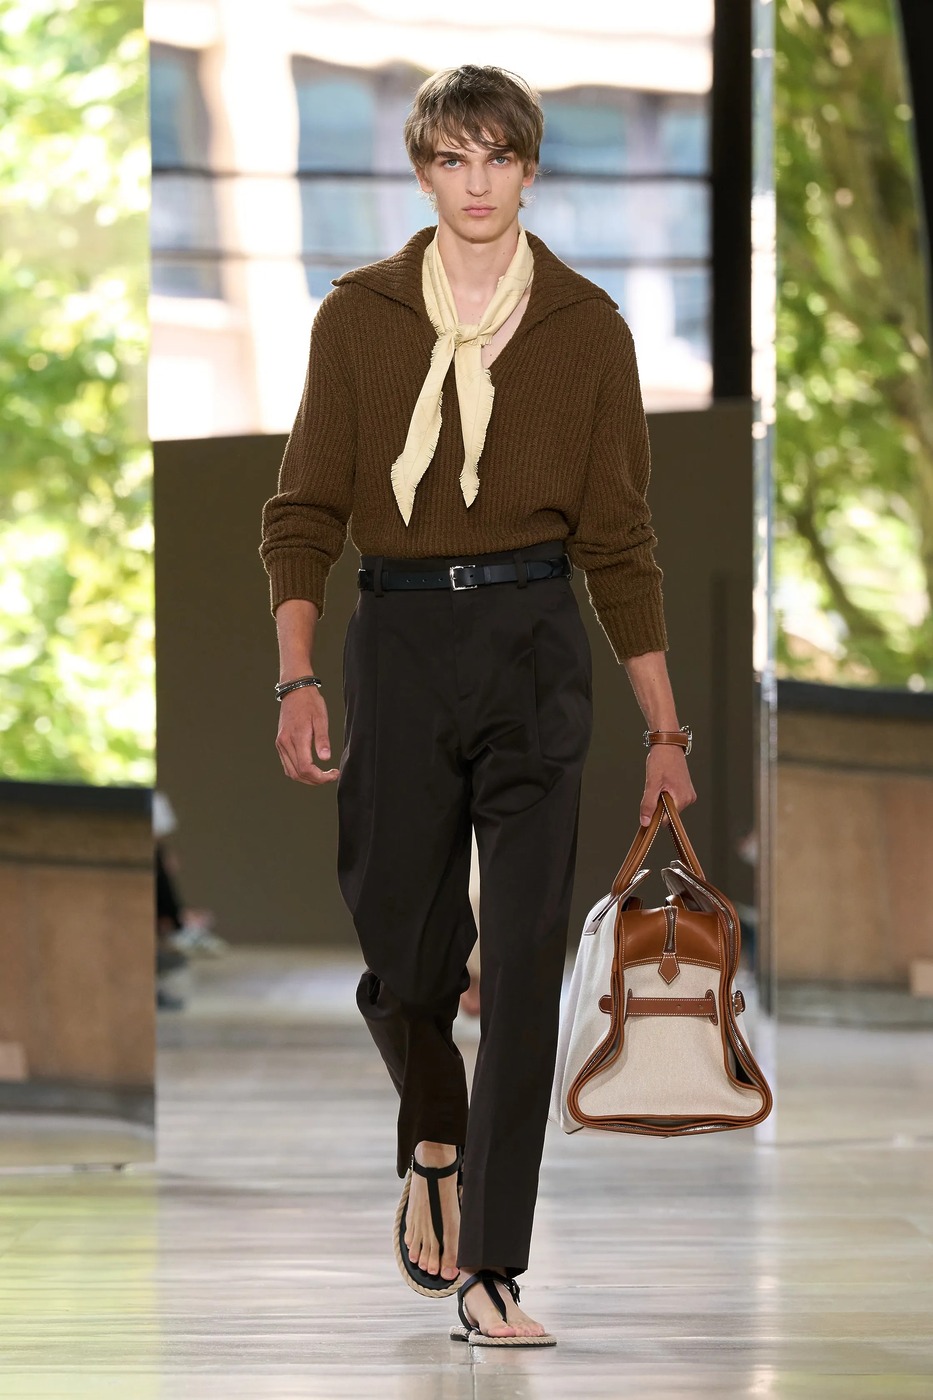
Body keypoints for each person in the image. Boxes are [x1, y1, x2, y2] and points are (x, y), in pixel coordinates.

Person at [259, 64, 695, 1346]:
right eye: (453, 158)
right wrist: (295, 673)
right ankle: (433, 1134)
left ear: (530, 168)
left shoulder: (589, 329)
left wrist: (666, 729)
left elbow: (621, 544)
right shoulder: (359, 318)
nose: (478, 182)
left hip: (534, 645)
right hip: (397, 643)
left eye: (498, 157)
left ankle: (494, 1265)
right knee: (403, 954)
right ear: (422, 172)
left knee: (522, 962)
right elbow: (303, 511)